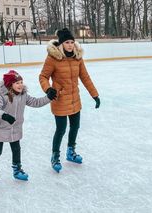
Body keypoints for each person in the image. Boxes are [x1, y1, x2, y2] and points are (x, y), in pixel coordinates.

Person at [39, 28, 100, 173]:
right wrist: (48, 89)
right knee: (60, 130)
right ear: (61, 44)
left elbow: (85, 77)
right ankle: (55, 156)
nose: (70, 45)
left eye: (72, 42)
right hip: (59, 99)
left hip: (74, 99)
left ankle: (70, 152)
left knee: (75, 127)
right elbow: (43, 77)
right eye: (67, 42)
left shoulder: (77, 58)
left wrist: (94, 94)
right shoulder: (53, 58)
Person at [0, 70, 56, 187]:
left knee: (16, 149)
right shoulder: (3, 97)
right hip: (0, 127)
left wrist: (48, 98)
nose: (20, 85)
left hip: (14, 128)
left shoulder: (23, 96)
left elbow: (36, 102)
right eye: (17, 83)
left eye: (21, 82)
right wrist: (4, 115)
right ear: (10, 85)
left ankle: (17, 170)